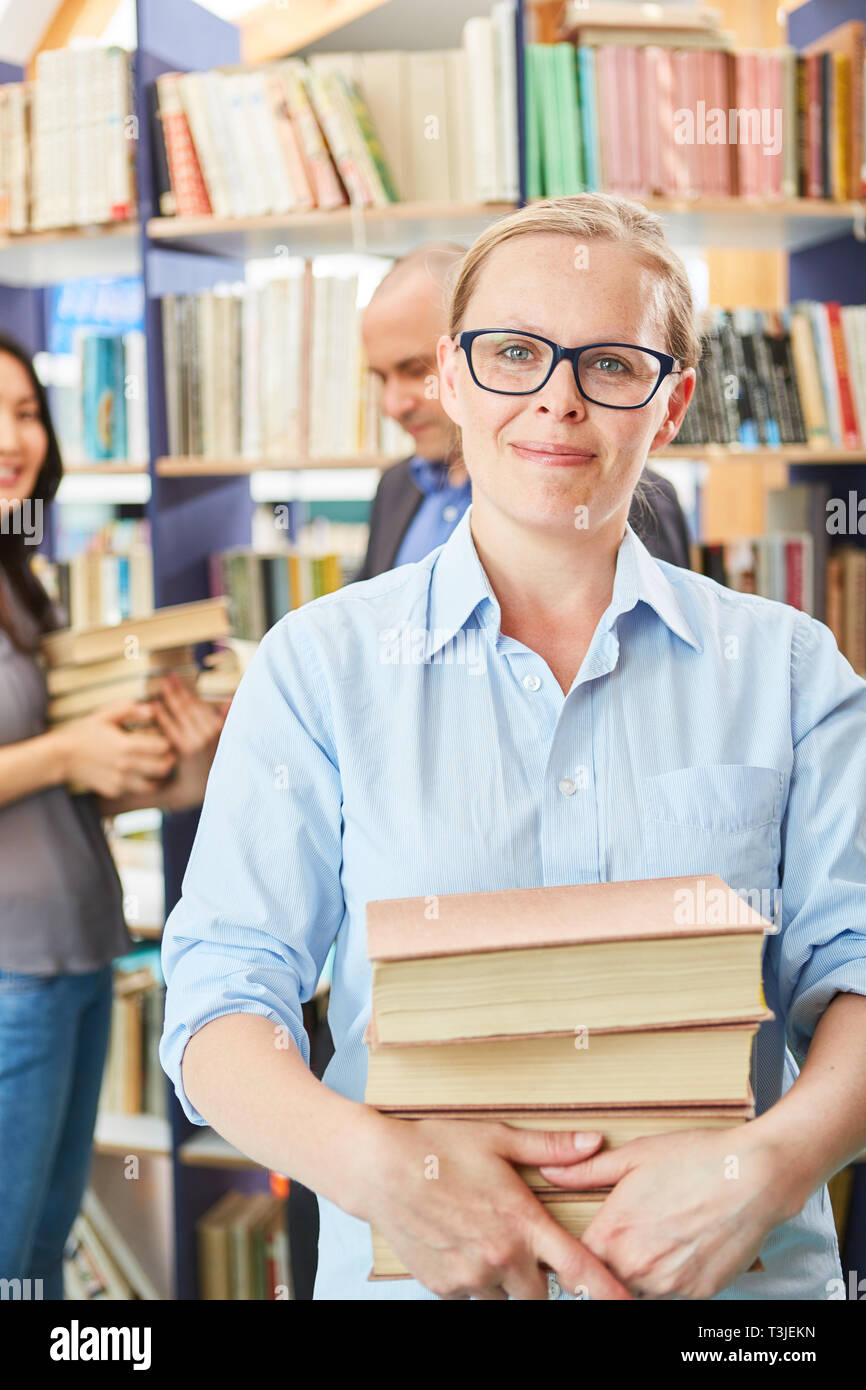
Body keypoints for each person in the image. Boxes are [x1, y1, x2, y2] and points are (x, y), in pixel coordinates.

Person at [161, 192, 866, 1302]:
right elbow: (216, 1001)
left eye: (611, 365)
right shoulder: (317, 668)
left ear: (669, 401)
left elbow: (857, 973)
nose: (556, 399)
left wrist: (766, 1169)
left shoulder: (789, 670)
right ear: (449, 375)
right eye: (511, 353)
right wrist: (384, 1172)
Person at [0, 331, 229, 1299]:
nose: (16, 437)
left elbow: (57, 793)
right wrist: (64, 751)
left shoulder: (17, 575)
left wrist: (167, 765)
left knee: (40, 1251)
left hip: (81, 955)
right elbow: (46, 760)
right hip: (10, 974)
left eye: (23, 412)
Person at [357, 241, 692, 577]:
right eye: (381, 378)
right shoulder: (395, 487)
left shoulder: (628, 502)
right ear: (450, 374)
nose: (393, 406)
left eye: (414, 370)